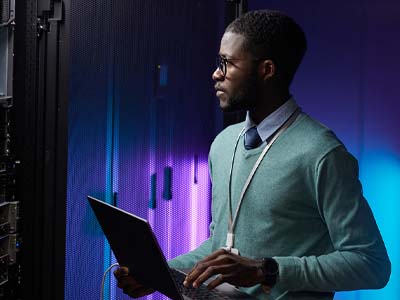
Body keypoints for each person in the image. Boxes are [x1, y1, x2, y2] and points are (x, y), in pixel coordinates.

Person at [114, 10, 391, 299]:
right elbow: (219, 247)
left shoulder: (323, 154)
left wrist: (267, 270)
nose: (216, 73)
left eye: (228, 63)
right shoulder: (223, 144)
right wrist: (160, 275)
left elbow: (371, 263)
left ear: (266, 70)